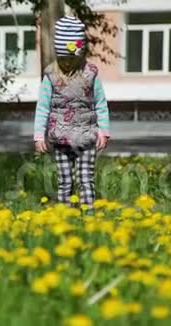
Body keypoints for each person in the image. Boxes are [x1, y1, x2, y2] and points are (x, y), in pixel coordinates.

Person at [33, 14, 111, 208]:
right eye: (64, 58)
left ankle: (88, 215)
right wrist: (38, 136)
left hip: (86, 136)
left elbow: (101, 103)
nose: (67, 63)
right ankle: (66, 216)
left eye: (72, 58)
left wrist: (104, 130)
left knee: (86, 180)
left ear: (79, 53)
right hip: (61, 138)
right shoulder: (50, 76)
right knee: (65, 181)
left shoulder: (90, 73)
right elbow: (42, 107)